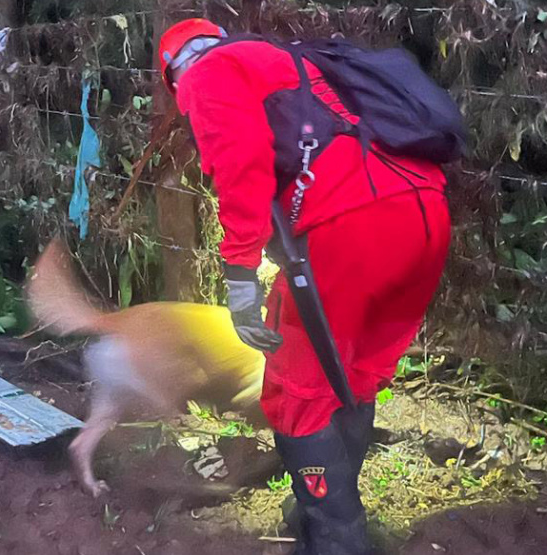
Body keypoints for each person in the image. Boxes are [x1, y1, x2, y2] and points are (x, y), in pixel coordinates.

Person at [159, 19, 453, 555]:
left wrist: (241, 275)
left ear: (173, 77)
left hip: (355, 227)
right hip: (427, 215)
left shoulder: (209, 72)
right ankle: (318, 511)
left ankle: (338, 537)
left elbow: (241, 168)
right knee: (351, 377)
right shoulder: (296, 63)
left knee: (297, 392)